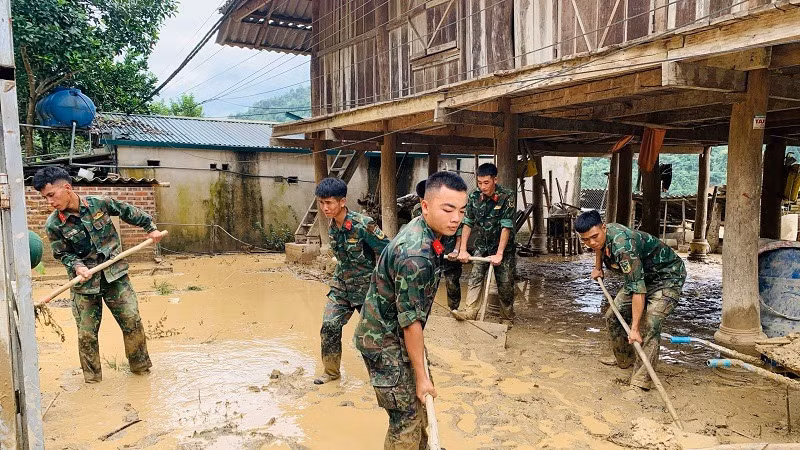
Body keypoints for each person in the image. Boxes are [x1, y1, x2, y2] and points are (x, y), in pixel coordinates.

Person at [354, 171, 468, 449]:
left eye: (462, 210)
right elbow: (410, 323)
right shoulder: (415, 256)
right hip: (384, 342)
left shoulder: (428, 229)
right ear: (425, 206)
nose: (456, 218)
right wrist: (421, 376)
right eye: (448, 210)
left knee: (419, 408)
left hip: (397, 333)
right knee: (405, 419)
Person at [33, 167, 163, 383]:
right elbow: (61, 253)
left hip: (115, 276)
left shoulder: (99, 203)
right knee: (87, 335)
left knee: (132, 321)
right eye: (45, 198)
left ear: (67, 187)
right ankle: (93, 382)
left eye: (51, 195)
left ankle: (141, 371)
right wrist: (77, 266)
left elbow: (127, 210)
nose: (50, 202)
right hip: (84, 285)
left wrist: (150, 228)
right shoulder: (54, 224)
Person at [575, 210, 686, 390]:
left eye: (594, 237)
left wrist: (634, 329)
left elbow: (638, 291)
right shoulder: (600, 237)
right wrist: (598, 267)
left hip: (667, 277)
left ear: (604, 228)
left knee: (651, 322)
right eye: (585, 240)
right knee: (613, 315)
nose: (591, 243)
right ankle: (625, 358)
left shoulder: (623, 247)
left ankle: (641, 381)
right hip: (640, 275)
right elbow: (598, 247)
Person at [313, 177, 390, 385]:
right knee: (329, 325)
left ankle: (383, 376)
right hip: (341, 287)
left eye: (329, 203)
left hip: (367, 289)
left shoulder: (363, 224)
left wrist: (386, 285)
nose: (324, 208)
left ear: (342, 202)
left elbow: (387, 251)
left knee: (374, 335)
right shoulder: (332, 225)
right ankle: (331, 373)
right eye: (321, 202)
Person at [454, 163, 516, 326]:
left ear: (496, 179)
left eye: (486, 183)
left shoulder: (506, 196)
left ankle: (506, 318)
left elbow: (506, 226)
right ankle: (470, 312)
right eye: (480, 183)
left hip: (503, 248)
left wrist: (500, 254)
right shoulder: (474, 196)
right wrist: (463, 250)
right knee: (475, 277)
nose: (483, 187)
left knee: (505, 283)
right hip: (482, 245)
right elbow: (467, 223)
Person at [412, 179, 463, 311]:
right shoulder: (417, 211)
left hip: (449, 251)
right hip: (429, 254)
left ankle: (454, 309)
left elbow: (459, 233)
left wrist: (456, 250)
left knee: (452, 283)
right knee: (428, 283)